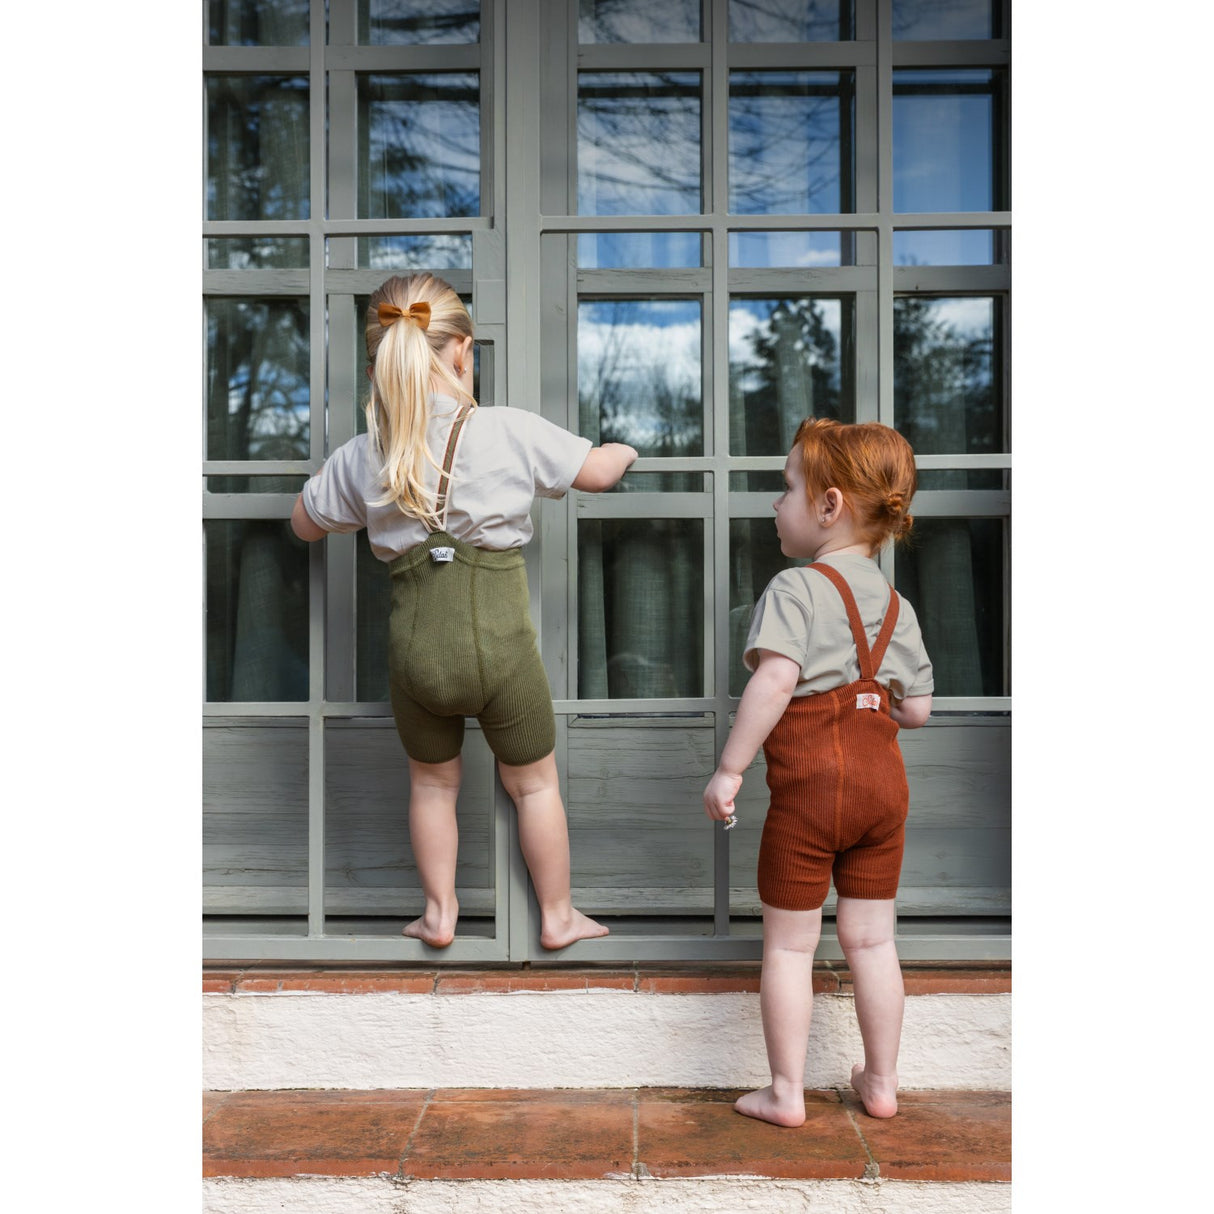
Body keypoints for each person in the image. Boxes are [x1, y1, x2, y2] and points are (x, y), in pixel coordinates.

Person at [291, 273, 637, 950]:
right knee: (534, 785)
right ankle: (558, 915)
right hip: (501, 650)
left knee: (431, 785)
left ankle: (439, 913)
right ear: (462, 353)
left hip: (415, 656)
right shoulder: (508, 431)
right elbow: (596, 472)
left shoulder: (366, 455)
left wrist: (353, 497)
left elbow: (305, 523)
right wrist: (621, 451)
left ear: (377, 368)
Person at [703, 417, 933, 1125]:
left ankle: (786, 1092)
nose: (777, 504)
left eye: (786, 488)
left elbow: (774, 682)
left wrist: (730, 770)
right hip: (882, 795)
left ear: (829, 506)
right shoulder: (897, 605)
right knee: (873, 940)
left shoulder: (796, 589)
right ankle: (883, 1083)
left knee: (789, 945)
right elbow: (917, 710)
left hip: (810, 796)